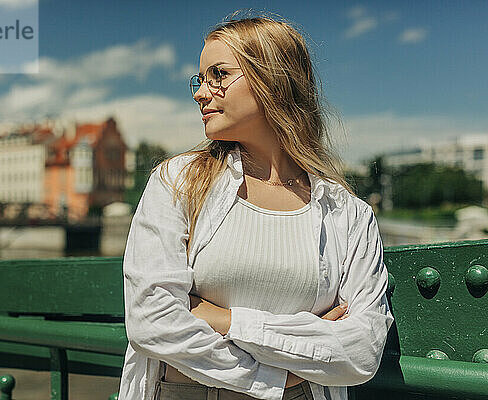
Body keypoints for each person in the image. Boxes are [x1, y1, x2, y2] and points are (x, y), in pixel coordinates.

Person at [119, 12, 394, 400]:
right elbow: (151, 320)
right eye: (200, 80)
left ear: (273, 81)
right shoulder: (177, 181)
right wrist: (284, 373)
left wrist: (222, 318)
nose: (201, 92)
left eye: (218, 75)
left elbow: (362, 350)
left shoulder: (348, 213)